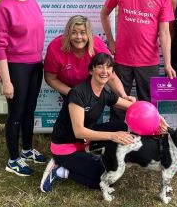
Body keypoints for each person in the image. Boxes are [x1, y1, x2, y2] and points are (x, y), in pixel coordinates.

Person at [40, 53, 168, 192]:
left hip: (84, 142)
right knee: (105, 177)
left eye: (108, 68)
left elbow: (132, 106)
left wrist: (157, 116)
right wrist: (112, 136)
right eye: (100, 67)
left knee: (120, 126)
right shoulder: (78, 93)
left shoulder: (104, 93)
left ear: (112, 72)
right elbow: (79, 131)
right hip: (65, 146)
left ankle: (88, 155)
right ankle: (60, 170)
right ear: (91, 70)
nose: (104, 71)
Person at [100, 0, 176, 121]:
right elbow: (104, 13)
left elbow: (164, 33)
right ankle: (117, 139)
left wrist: (168, 63)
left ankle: (147, 141)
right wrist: (111, 41)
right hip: (121, 58)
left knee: (148, 105)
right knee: (119, 103)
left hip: (148, 60)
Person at [0, 0, 46, 176]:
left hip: (35, 64)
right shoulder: (3, 7)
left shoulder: (31, 1)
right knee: (16, 113)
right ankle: (13, 160)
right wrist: (7, 79)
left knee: (30, 109)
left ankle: (27, 149)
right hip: (16, 67)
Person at [44, 15, 135, 108]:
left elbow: (111, 77)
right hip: (67, 86)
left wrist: (124, 96)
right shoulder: (55, 48)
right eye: (74, 32)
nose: (79, 37)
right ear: (68, 34)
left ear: (89, 34)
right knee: (74, 110)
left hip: (92, 84)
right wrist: (73, 93)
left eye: (83, 33)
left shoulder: (98, 47)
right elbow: (50, 78)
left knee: (91, 112)